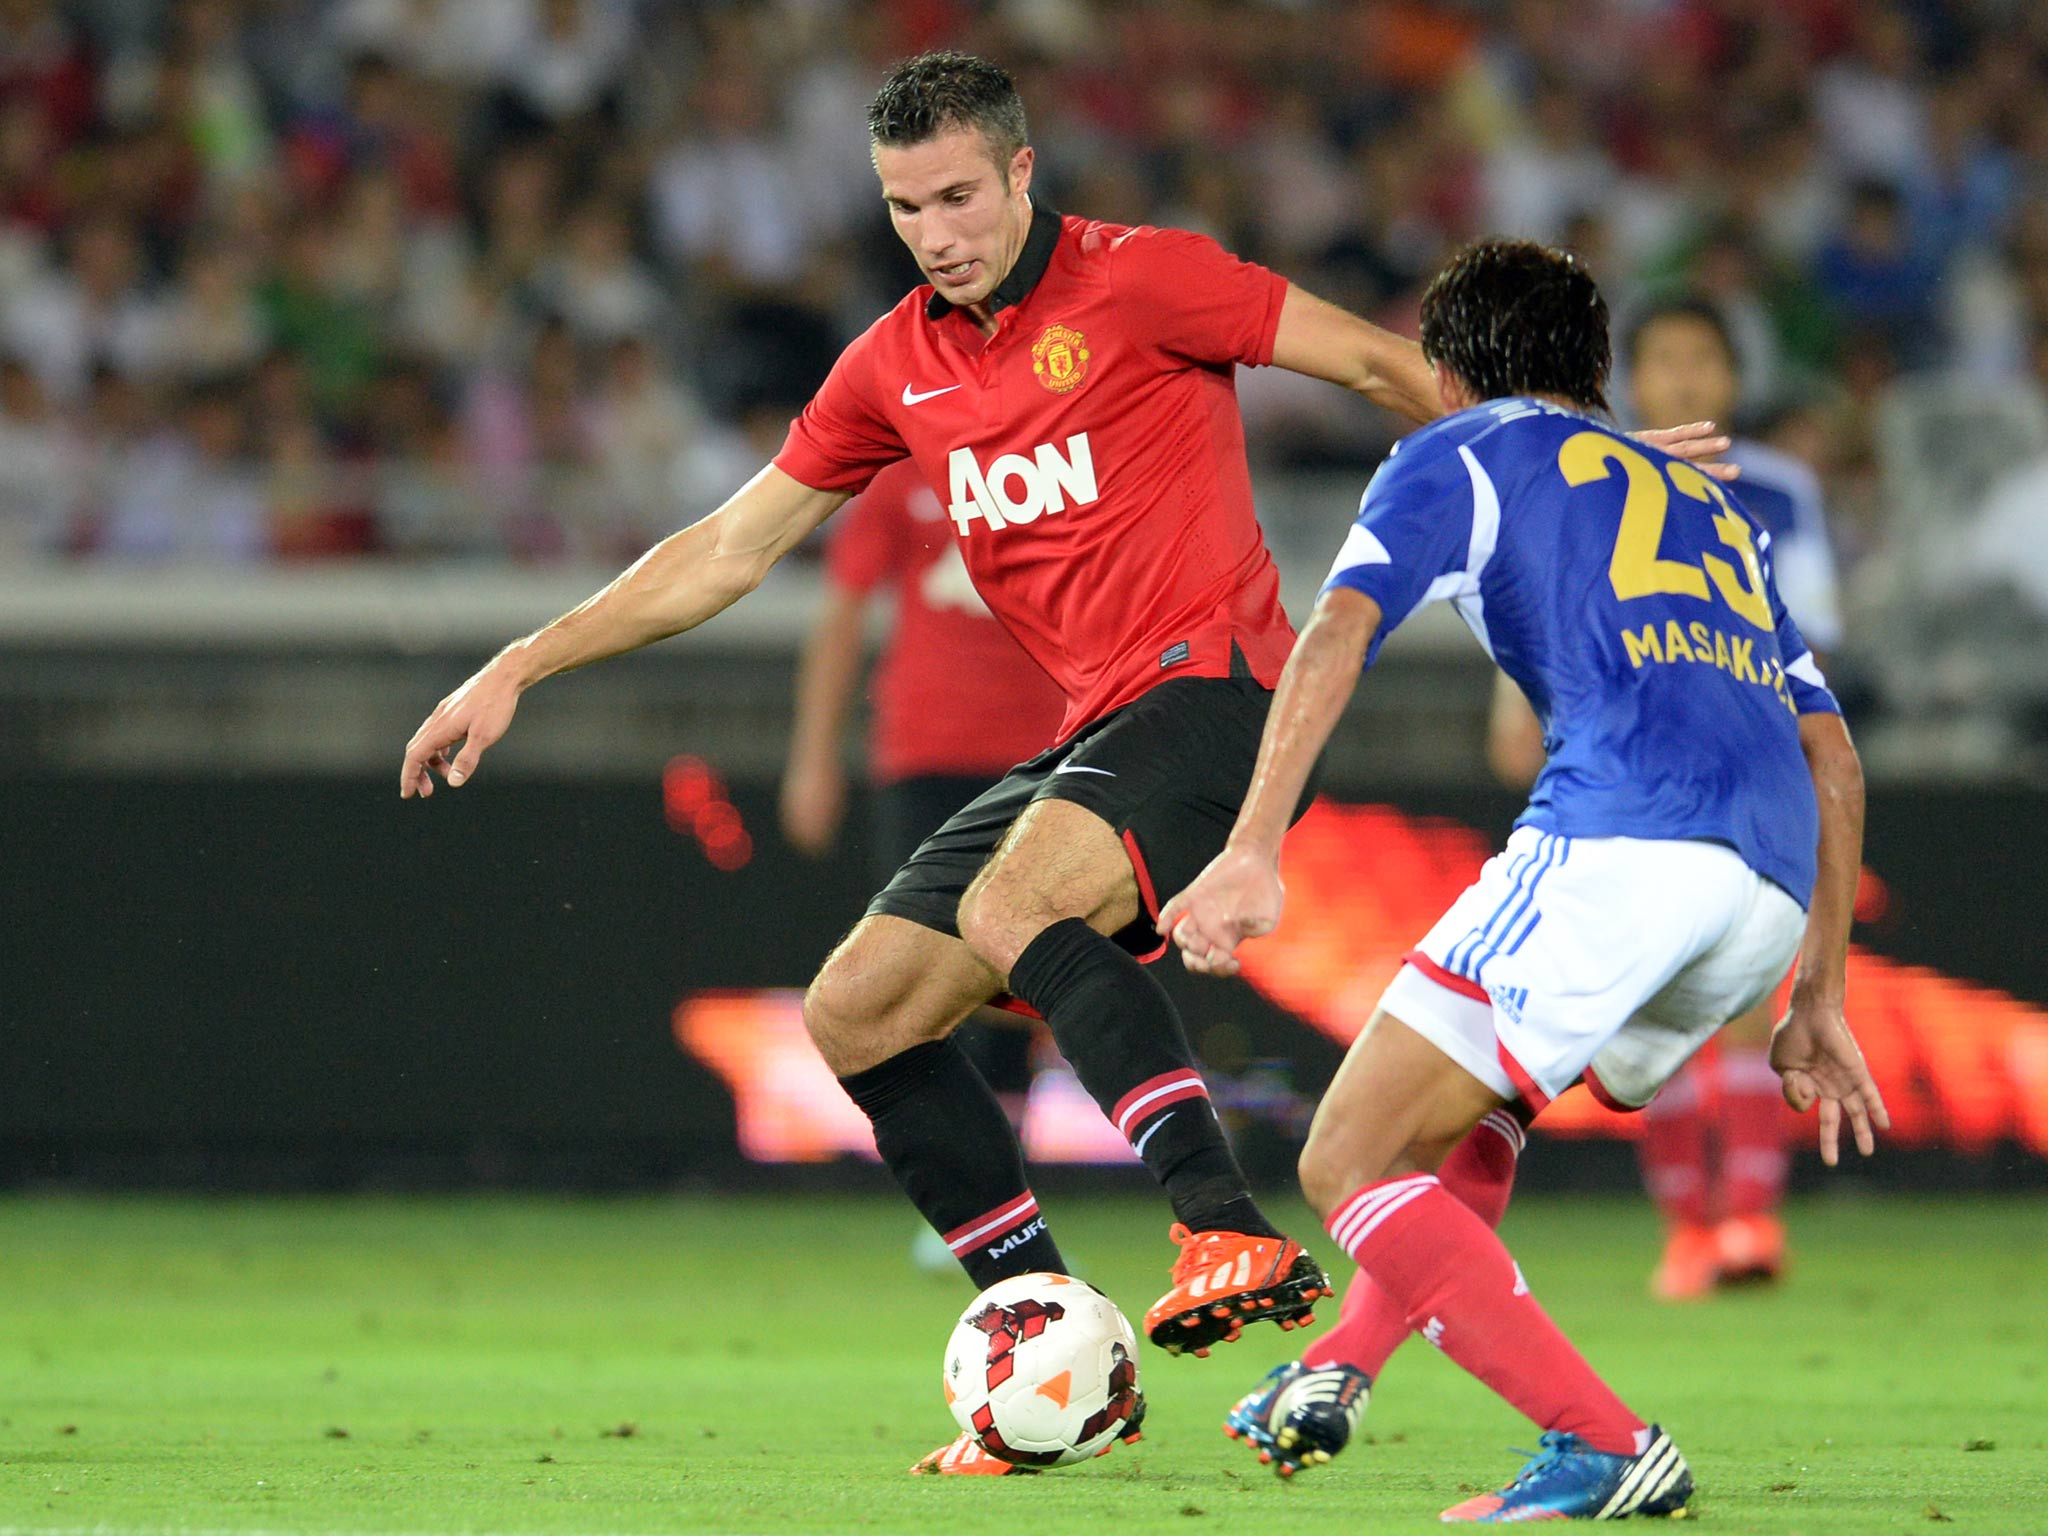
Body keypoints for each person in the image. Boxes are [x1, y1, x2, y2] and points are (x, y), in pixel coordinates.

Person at [398, 54, 1729, 1477]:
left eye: (960, 195)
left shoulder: (1147, 279)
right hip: (1093, 733)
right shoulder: (891, 365)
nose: (936, 231)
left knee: (1008, 905)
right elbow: (730, 547)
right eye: (906, 207)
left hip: (1222, 694)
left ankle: (1221, 1222)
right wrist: (521, 661)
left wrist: (1587, 464)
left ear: (1023, 173)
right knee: (856, 1012)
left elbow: (1375, 362)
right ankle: (1048, 1342)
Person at [1161, 239, 1886, 1521]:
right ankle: (1337, 1370)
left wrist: (1250, 844)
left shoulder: (1455, 450)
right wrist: (1814, 985)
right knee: (1474, 1110)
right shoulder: (1709, 501)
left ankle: (1602, 1444)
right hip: (1766, 884)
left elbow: (1336, 632)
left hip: (1623, 835)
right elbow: (1832, 752)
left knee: (1343, 1154)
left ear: (1443, 375)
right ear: (1598, 373)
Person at [1487, 293, 1845, 1300]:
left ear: (1732, 377)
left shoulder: (1775, 490)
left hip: (1746, 768)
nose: (1683, 379)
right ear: (1630, 380)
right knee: (1654, 1020)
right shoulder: (1584, 485)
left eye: (1702, 359)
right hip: (1630, 787)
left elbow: (1818, 633)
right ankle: (1690, 1227)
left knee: (1737, 1012)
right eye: (1662, 361)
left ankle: (1751, 1223)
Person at [778, 456, 1066, 1270]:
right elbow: (842, 611)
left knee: (1018, 974)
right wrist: (813, 755)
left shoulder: (1055, 450)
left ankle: (1002, 1190)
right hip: (927, 748)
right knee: (921, 970)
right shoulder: (903, 468)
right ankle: (969, 1186)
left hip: (1046, 747)